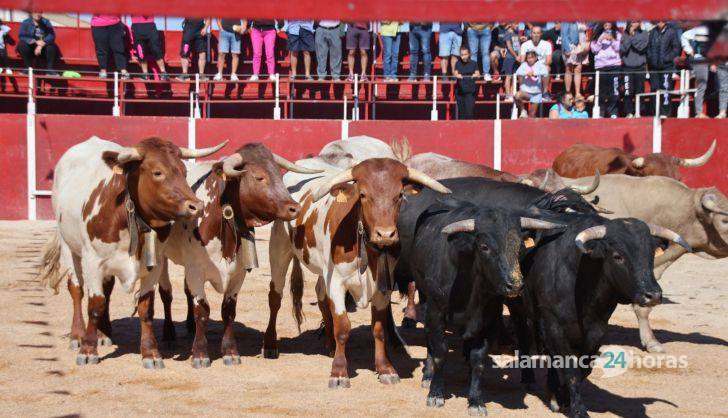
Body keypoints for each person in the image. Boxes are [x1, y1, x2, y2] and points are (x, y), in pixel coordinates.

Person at [647, 21, 680, 117]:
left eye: (662, 20)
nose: (660, 22)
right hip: (653, 67)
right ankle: (655, 112)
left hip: (666, 66)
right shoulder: (652, 32)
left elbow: (676, 48)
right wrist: (650, 58)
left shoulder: (671, 32)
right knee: (654, 89)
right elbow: (648, 48)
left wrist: (667, 58)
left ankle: (665, 113)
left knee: (666, 89)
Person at [591, 22, 622, 118]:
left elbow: (619, 48)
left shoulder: (618, 34)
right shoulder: (596, 34)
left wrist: (612, 39)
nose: (607, 24)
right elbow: (594, 50)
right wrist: (600, 40)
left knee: (615, 91)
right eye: (605, 22)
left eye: (609, 22)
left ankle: (613, 112)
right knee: (601, 92)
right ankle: (601, 113)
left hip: (614, 65)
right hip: (601, 66)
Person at [681, 24, 710, 118]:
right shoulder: (699, 29)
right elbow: (684, 36)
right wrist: (689, 50)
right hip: (701, 59)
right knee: (702, 85)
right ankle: (699, 112)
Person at [621, 21, 648, 117]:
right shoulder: (624, 34)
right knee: (628, 91)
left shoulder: (644, 34)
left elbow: (641, 48)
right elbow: (623, 49)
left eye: (636, 22)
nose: (634, 24)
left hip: (640, 67)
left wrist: (632, 38)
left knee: (639, 91)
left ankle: (639, 111)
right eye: (632, 22)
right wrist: (630, 37)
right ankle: (628, 112)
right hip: (627, 68)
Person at [90, 15, 129, 79]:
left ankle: (123, 71)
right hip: (98, 23)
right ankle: (103, 70)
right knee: (101, 48)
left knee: (118, 47)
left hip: (115, 22)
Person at [131, 16, 169, 81]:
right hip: (136, 26)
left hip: (150, 25)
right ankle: (145, 74)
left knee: (156, 49)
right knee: (140, 50)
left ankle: (163, 73)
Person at [519, 25, 552, 99]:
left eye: (538, 33)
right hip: (529, 66)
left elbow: (549, 61)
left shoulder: (546, 44)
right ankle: (523, 91)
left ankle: (545, 92)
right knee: (521, 69)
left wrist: (537, 68)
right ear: (531, 34)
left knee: (547, 68)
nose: (536, 35)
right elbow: (522, 61)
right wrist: (530, 69)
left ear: (541, 34)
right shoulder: (525, 45)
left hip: (542, 66)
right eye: (534, 33)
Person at [515, 50, 548, 118]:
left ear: (535, 58)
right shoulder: (524, 65)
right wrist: (527, 73)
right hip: (525, 92)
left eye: (531, 58)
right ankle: (523, 110)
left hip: (536, 93)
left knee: (532, 115)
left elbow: (545, 72)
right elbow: (518, 72)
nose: (530, 60)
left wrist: (534, 73)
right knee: (517, 96)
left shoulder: (540, 65)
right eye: (528, 58)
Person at [490, 22, 520, 98]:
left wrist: (519, 55)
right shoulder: (508, 33)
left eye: (518, 24)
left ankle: (512, 93)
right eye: (516, 24)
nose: (517, 25)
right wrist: (516, 56)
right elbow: (509, 47)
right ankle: (508, 94)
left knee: (514, 76)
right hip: (510, 57)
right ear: (511, 24)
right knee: (508, 76)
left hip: (516, 57)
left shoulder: (516, 33)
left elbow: (518, 45)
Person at [561, 22, 589, 97]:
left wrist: (586, 45)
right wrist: (567, 49)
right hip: (571, 45)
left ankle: (577, 93)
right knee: (569, 68)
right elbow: (564, 34)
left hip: (582, 45)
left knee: (578, 69)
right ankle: (568, 92)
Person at [453, 46, 480, 119]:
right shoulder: (458, 63)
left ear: (469, 54)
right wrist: (457, 75)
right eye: (462, 55)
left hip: (470, 91)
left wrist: (475, 75)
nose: (464, 57)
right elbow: (455, 73)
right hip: (460, 91)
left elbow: (478, 74)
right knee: (462, 114)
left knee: (469, 113)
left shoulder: (474, 63)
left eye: (465, 54)